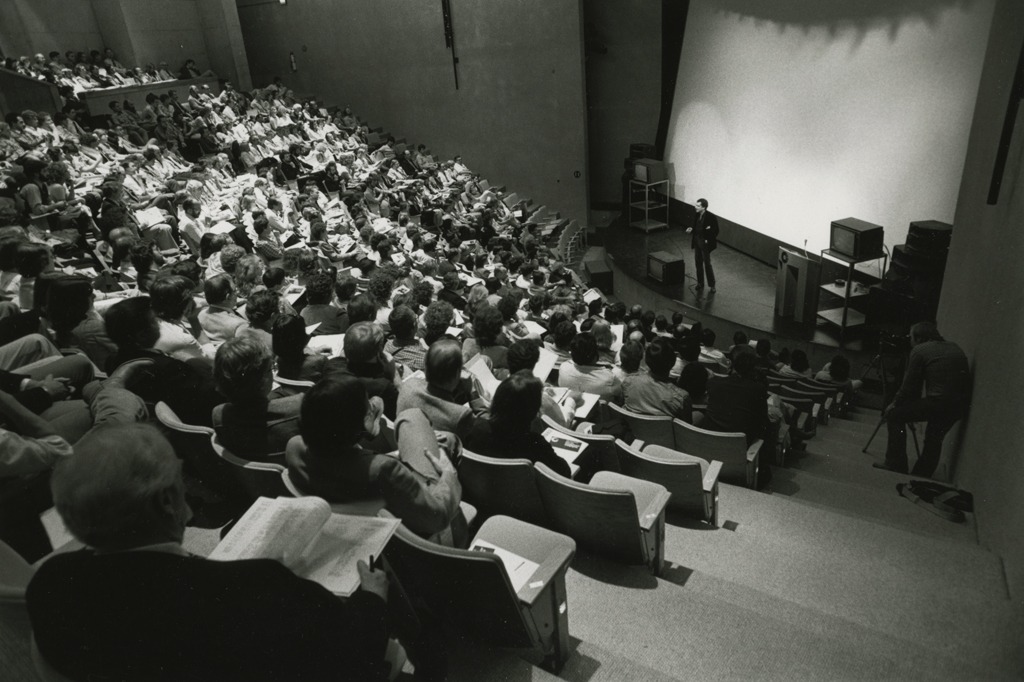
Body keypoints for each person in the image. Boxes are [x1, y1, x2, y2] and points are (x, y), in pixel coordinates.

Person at [27, 422, 395, 682]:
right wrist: (373, 600)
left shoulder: (48, 583)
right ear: (168, 501)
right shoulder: (253, 589)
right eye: (178, 476)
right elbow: (351, 658)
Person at [286, 376, 464, 541]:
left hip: (351, 503)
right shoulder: (384, 470)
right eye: (367, 410)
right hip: (415, 532)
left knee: (441, 435)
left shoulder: (294, 448)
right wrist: (448, 475)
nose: (371, 406)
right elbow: (437, 517)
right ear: (357, 426)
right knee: (414, 417)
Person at [875, 322, 970, 476]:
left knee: (894, 415)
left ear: (919, 338)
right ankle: (922, 475)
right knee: (934, 438)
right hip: (958, 407)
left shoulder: (920, 350)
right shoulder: (954, 347)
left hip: (938, 402)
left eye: (911, 337)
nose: (910, 341)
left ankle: (895, 463)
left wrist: (894, 404)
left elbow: (908, 386)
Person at [464, 370, 572, 477]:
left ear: (497, 400)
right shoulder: (535, 444)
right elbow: (565, 471)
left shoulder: (475, 430)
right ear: (533, 411)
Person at [623, 337, 693, 422]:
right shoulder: (681, 398)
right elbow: (685, 428)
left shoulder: (628, 382)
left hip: (633, 432)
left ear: (646, 360)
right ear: (673, 362)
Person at [685, 198, 719, 292]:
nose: (695, 207)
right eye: (696, 205)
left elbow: (716, 231)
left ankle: (712, 285)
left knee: (707, 264)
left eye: (698, 206)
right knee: (698, 263)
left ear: (704, 207)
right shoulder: (696, 214)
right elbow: (695, 226)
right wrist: (691, 229)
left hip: (705, 244)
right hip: (697, 242)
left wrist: (709, 239)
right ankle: (700, 283)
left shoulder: (711, 217)